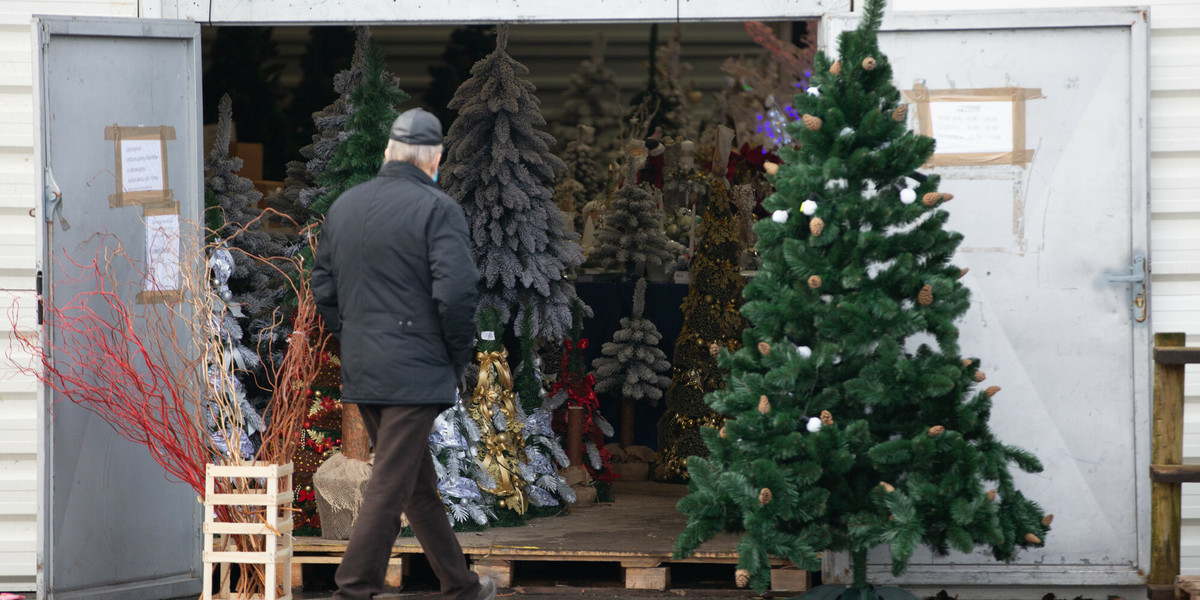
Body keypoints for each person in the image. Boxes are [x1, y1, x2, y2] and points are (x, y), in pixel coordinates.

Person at [312, 107, 492, 600]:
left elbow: (323, 287)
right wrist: (454, 359)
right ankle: (352, 590)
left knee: (415, 486)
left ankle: (461, 585)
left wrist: (351, 337)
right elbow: (456, 295)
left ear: (390, 153)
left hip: (364, 367)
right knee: (390, 488)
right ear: (434, 160)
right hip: (414, 372)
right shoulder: (438, 210)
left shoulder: (346, 205)